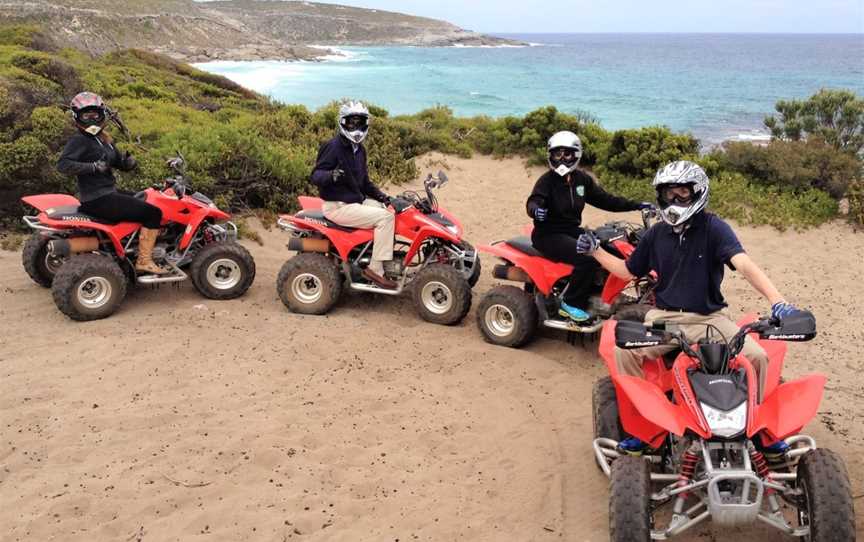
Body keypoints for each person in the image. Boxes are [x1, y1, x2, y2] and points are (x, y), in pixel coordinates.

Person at [577, 160, 803, 459]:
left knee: (758, 357)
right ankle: (644, 430)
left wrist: (779, 302)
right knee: (624, 350)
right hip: (666, 319)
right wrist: (595, 251)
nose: (674, 200)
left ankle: (759, 430)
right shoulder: (657, 234)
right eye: (668, 194)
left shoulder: (715, 228)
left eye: (681, 193)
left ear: (698, 192)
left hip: (711, 318)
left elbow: (744, 264)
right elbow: (626, 271)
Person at [526, 131, 652, 322]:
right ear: (550, 155)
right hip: (548, 234)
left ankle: (599, 294)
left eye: (567, 154)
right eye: (556, 154)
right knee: (588, 256)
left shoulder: (581, 180)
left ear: (576, 154)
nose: (561, 159)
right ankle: (571, 303)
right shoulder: (547, 181)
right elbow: (534, 201)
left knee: (610, 248)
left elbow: (606, 200)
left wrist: (635, 204)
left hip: (570, 230)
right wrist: (535, 211)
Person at [57, 92, 166, 275]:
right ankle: (144, 261)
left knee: (148, 199)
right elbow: (63, 164)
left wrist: (127, 163)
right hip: (98, 199)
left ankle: (136, 247)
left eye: (95, 115)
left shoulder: (103, 139)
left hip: (108, 194)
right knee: (154, 213)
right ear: (77, 117)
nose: (92, 119)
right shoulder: (80, 140)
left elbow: (116, 162)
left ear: (102, 114)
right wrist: (92, 167)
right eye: (86, 115)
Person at [310, 101, 397, 289]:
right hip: (338, 206)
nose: (356, 127)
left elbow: (364, 183)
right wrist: (330, 176)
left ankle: (376, 258)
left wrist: (385, 198)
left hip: (355, 202)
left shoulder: (360, 150)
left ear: (365, 124)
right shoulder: (333, 146)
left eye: (359, 123)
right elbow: (315, 175)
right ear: (343, 122)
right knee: (385, 218)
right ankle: (375, 270)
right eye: (351, 123)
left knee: (390, 211)